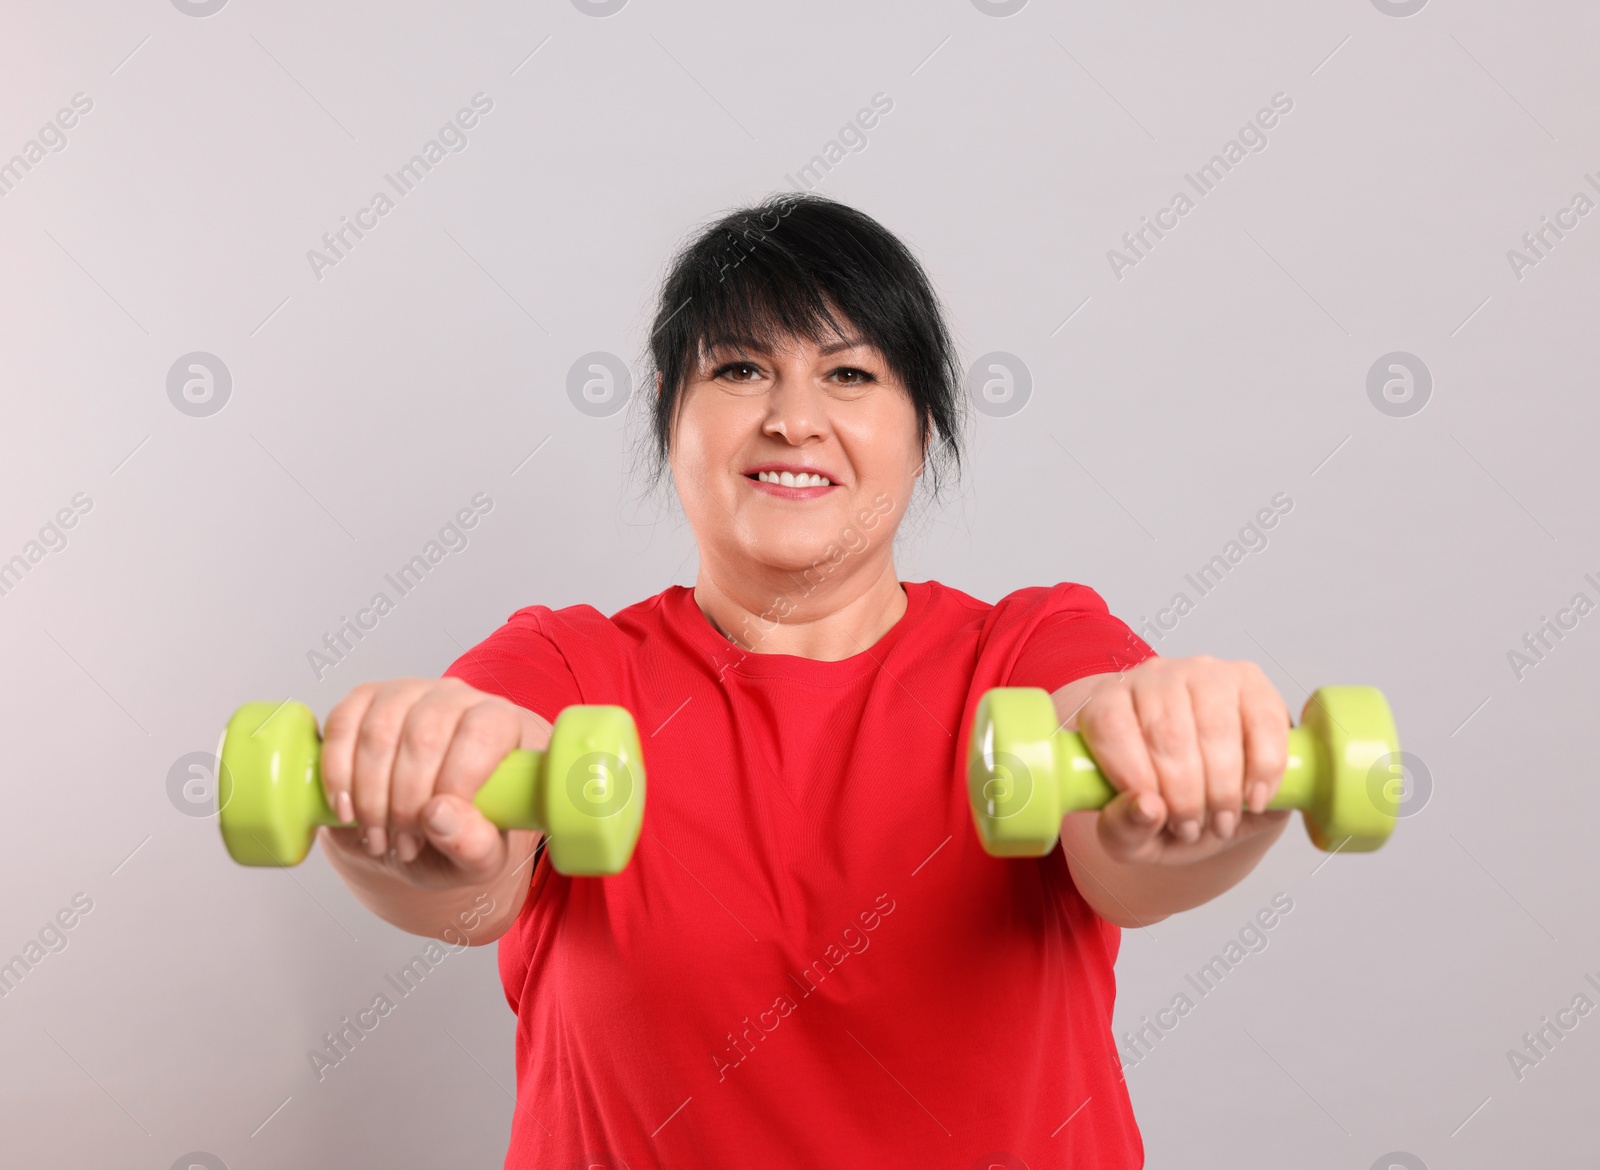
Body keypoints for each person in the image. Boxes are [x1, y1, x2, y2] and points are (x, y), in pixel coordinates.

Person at [313, 193, 1294, 1168]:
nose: (793, 419)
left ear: (922, 426)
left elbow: (1128, 862)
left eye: (849, 374)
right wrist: (408, 821)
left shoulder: (1031, 651)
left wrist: (1192, 787)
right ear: (668, 407)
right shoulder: (572, 668)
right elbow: (469, 882)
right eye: (740, 369)